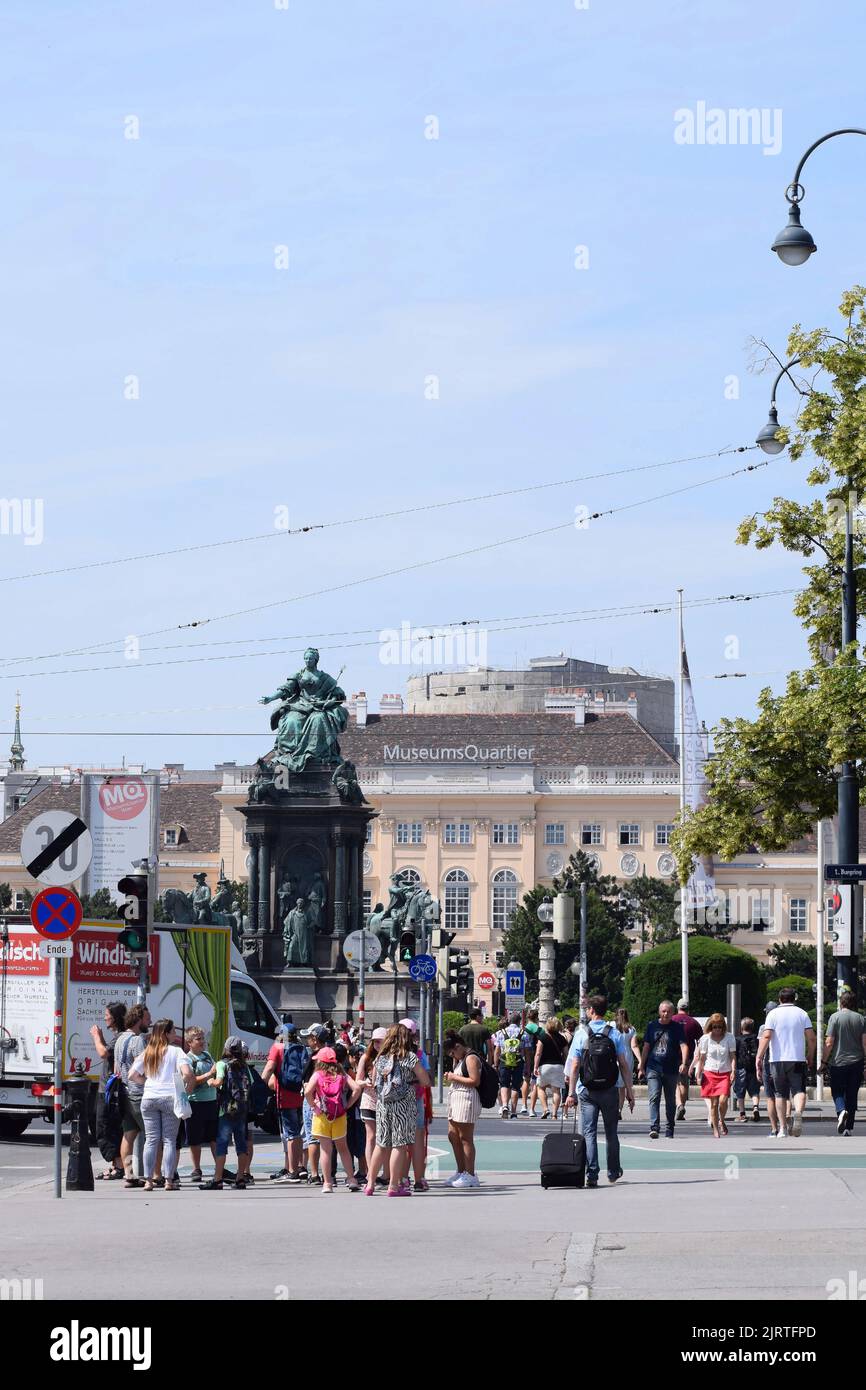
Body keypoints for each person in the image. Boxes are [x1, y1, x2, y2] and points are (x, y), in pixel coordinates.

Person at [565, 995, 635, 1187]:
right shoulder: (614, 1034)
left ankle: (592, 1174)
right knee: (611, 1132)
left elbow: (575, 1065)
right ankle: (613, 1172)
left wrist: (571, 1093)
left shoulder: (581, 1034)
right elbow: (623, 1064)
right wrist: (629, 1091)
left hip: (587, 1090)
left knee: (589, 1132)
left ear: (591, 1011)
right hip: (610, 1089)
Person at [127, 1018, 194, 1192]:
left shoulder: (148, 1051)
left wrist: (147, 1082)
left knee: (151, 1140)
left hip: (149, 1098)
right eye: (173, 1032)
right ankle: (168, 1181)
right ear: (166, 1033)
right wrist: (181, 1086)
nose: (175, 1035)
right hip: (169, 1097)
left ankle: (148, 1181)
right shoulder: (176, 1051)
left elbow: (132, 1074)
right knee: (169, 1140)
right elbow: (187, 1073)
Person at [365, 1025, 429, 1196]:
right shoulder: (409, 1057)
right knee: (399, 1145)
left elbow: (373, 1082)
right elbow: (425, 1080)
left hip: (383, 1104)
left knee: (381, 1144)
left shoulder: (380, 1058)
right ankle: (394, 1186)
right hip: (403, 1105)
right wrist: (412, 1079)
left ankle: (370, 1184)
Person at [756, 987, 816, 1139]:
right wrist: (810, 1055)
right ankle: (797, 1113)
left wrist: (759, 1056)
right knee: (799, 1090)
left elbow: (767, 1035)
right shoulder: (802, 1014)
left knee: (780, 1094)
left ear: (779, 999)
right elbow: (811, 1038)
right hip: (797, 1058)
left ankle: (782, 1128)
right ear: (794, 998)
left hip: (777, 1060)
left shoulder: (773, 1014)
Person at [304, 1046, 365, 1192]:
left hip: (322, 1115)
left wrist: (314, 1106)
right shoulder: (342, 1073)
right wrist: (347, 1105)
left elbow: (307, 1091)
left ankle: (327, 1183)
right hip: (340, 1114)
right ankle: (351, 1179)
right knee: (343, 1149)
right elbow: (356, 1088)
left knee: (326, 1150)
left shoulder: (318, 1074)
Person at [199, 1036, 255, 1189]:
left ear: (226, 1049)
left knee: (222, 1143)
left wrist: (210, 1081)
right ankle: (240, 1178)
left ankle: (217, 1179)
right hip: (242, 1109)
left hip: (226, 1109)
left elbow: (219, 1082)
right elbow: (252, 1083)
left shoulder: (222, 1064)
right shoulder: (244, 1066)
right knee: (241, 1144)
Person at [262, 1022, 306, 1183]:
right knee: (298, 1134)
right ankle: (299, 1167)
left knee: (290, 1134)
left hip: (285, 1097)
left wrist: (259, 1088)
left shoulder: (277, 1048)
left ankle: (292, 1171)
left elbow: (268, 1070)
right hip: (301, 1096)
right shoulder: (302, 1049)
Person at [639, 1000, 689, 1139]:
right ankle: (654, 1127)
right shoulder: (652, 1026)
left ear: (673, 1013)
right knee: (654, 1097)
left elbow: (684, 1046)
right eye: (663, 1011)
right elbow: (646, 1047)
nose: (665, 1014)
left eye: (668, 1011)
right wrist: (641, 1065)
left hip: (671, 1069)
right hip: (653, 1067)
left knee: (670, 1100)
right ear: (659, 1012)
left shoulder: (677, 1027)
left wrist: (684, 1063)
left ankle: (669, 1127)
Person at [114, 1003, 151, 1187]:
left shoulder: (119, 1039)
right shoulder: (137, 1041)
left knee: (128, 1135)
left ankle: (129, 1175)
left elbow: (116, 1069)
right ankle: (154, 1175)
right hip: (139, 1093)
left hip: (124, 1092)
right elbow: (141, 1065)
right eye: (147, 1018)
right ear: (138, 1019)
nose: (149, 1021)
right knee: (153, 1136)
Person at [90, 1001, 126, 1180]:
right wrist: (102, 1038)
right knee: (107, 1126)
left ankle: (119, 1166)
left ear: (115, 1017)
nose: (105, 1017)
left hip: (110, 1090)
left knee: (105, 1127)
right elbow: (109, 1053)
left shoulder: (120, 1035)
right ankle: (115, 1166)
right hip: (107, 1088)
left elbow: (104, 1053)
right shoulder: (117, 1036)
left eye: (107, 1015)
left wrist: (96, 1036)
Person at [822, 990, 866, 1135]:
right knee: (852, 1093)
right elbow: (864, 1043)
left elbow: (829, 1042)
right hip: (857, 1061)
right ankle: (848, 1127)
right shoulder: (860, 1018)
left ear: (841, 1002)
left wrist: (823, 1061)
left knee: (837, 1090)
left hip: (838, 1062)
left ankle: (841, 1111)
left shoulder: (834, 1017)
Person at [444, 1030, 482, 1188]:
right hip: (457, 1099)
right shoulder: (460, 1060)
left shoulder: (471, 1058)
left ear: (458, 1046)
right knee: (453, 1136)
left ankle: (470, 1174)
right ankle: (461, 1171)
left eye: (453, 1052)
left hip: (467, 1099)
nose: (453, 1056)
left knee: (465, 1138)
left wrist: (453, 1077)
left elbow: (475, 1081)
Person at [400, 1018, 431, 1191]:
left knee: (401, 1142)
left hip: (396, 1102)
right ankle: (419, 1179)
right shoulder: (418, 1055)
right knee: (418, 1141)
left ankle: (402, 1178)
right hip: (415, 1099)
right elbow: (426, 1080)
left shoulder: (391, 1054)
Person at [694, 1013, 737, 1138]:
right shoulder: (705, 1039)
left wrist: (733, 1070)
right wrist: (698, 1073)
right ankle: (715, 1129)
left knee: (723, 1100)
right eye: (714, 1027)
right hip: (710, 1072)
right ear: (710, 1027)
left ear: (723, 1026)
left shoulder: (729, 1037)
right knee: (713, 1103)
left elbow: (733, 1056)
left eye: (719, 1026)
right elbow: (702, 1058)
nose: (717, 1029)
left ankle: (721, 1120)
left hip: (724, 1072)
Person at [184, 1026, 219, 1181]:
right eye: (198, 1039)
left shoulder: (207, 1055)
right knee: (195, 1138)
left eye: (203, 1038)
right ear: (189, 1042)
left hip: (211, 1101)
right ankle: (196, 1169)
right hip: (195, 1103)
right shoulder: (188, 1059)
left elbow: (214, 1073)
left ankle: (219, 1167)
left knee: (214, 1137)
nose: (202, 1042)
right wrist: (208, 1075)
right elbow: (190, 1081)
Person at [356, 1028, 388, 1187]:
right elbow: (357, 1080)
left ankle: (386, 1173)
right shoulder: (366, 1057)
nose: (377, 1044)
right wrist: (365, 1083)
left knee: (385, 1138)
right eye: (375, 1041)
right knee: (371, 1137)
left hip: (385, 1101)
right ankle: (370, 1173)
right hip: (369, 1099)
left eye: (380, 1041)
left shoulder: (390, 1057)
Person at [300, 1024, 328, 1183]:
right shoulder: (331, 1055)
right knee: (326, 1137)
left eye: (309, 1037)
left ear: (315, 1039)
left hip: (313, 1100)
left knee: (312, 1137)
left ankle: (315, 1173)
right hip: (329, 1101)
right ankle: (328, 1173)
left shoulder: (315, 1058)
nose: (307, 1040)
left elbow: (305, 1080)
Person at [672, 998, 703, 1120]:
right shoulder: (694, 1023)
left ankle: (679, 1105)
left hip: (672, 1056)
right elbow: (701, 1041)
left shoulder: (672, 1020)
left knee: (674, 1082)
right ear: (688, 1008)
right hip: (688, 1057)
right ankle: (682, 1105)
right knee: (684, 1083)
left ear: (677, 1007)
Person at [533, 1016, 568, 1122]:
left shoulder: (542, 1037)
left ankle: (545, 1109)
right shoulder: (562, 1038)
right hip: (558, 1066)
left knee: (540, 1088)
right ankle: (554, 1114)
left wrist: (535, 1066)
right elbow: (566, 1054)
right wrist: (566, 1067)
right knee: (556, 1091)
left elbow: (538, 1053)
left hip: (544, 1066)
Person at [493, 1013, 526, 1118]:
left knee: (504, 1084)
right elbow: (528, 1052)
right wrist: (528, 1066)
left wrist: (496, 1064)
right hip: (518, 1061)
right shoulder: (523, 1033)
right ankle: (514, 1111)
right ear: (519, 1021)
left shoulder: (501, 1032)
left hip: (504, 1060)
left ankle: (504, 1106)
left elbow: (497, 1050)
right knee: (516, 1087)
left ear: (509, 1021)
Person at [758, 1001, 781, 1136]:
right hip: (782, 1061)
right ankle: (786, 1120)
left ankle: (774, 1128)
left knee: (770, 1097)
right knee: (784, 1095)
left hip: (768, 1062)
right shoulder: (783, 1024)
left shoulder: (764, 1027)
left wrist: (758, 1060)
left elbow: (762, 1044)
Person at [733, 1018, 761, 1123]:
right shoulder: (756, 1039)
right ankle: (755, 1108)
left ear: (741, 1028)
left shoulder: (737, 1040)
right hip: (753, 1068)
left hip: (741, 1068)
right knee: (754, 1091)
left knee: (740, 1092)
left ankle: (742, 1114)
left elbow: (734, 1055)